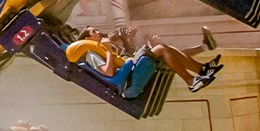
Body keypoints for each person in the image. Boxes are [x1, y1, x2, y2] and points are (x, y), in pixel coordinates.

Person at [80, 25, 222, 92]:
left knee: (166, 48)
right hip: (128, 79)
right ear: (87, 38)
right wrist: (111, 49)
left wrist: (128, 41)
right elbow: (109, 72)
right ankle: (191, 81)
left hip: (132, 68)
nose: (98, 32)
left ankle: (202, 69)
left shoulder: (103, 47)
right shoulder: (91, 54)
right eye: (94, 32)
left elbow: (127, 57)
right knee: (161, 49)